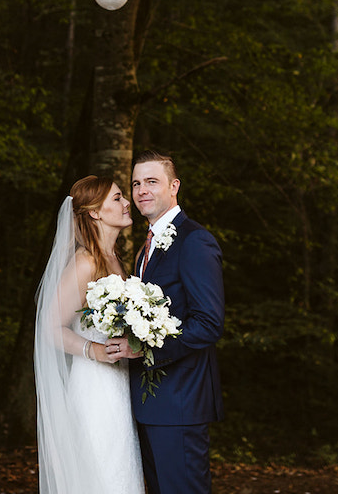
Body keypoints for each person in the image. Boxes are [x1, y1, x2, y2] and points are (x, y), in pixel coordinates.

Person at [105, 150, 225, 494]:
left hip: (181, 401)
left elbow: (208, 323)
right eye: (136, 183)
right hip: (151, 403)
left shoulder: (194, 240)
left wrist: (141, 348)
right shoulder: (146, 247)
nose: (141, 190)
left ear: (174, 186)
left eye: (151, 181)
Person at [34, 175, 145, 494]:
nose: (127, 203)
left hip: (120, 384)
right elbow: (50, 329)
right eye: (118, 198)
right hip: (94, 387)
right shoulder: (84, 262)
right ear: (95, 212)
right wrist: (93, 351)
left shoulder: (116, 260)